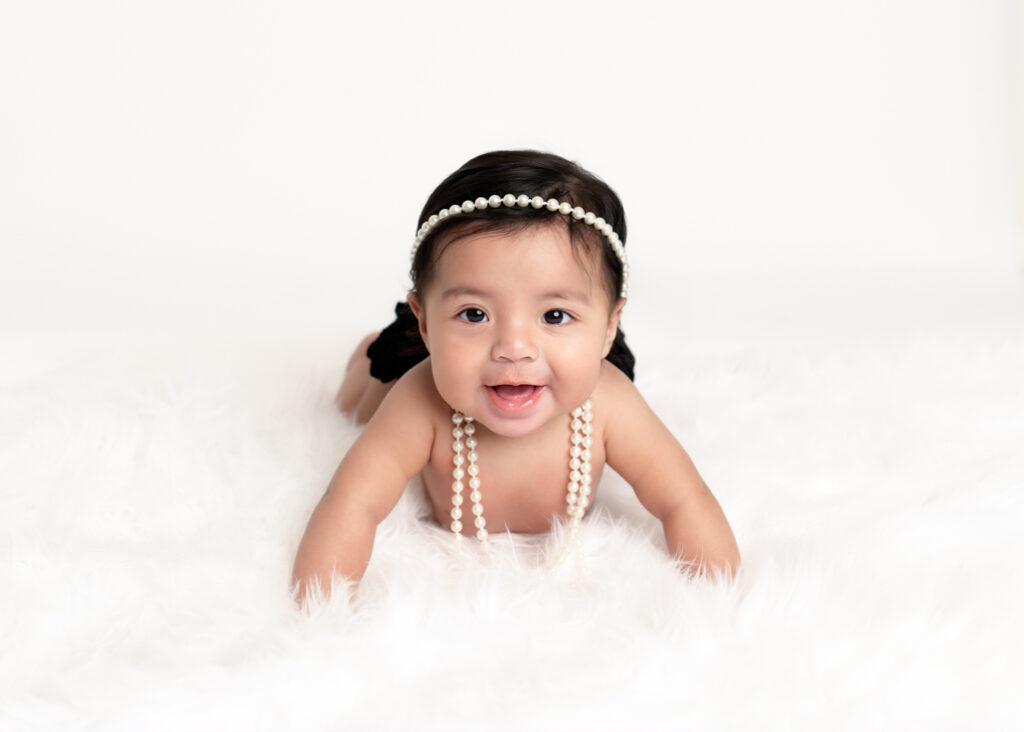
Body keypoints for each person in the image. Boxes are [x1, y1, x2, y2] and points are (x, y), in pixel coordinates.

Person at [291, 150, 740, 600]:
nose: (514, 348)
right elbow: (351, 503)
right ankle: (372, 347)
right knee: (362, 400)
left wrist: (723, 597)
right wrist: (319, 611)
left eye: (555, 315)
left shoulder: (609, 404)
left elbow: (684, 498)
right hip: (407, 363)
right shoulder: (419, 401)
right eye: (474, 313)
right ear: (425, 321)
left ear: (609, 328)